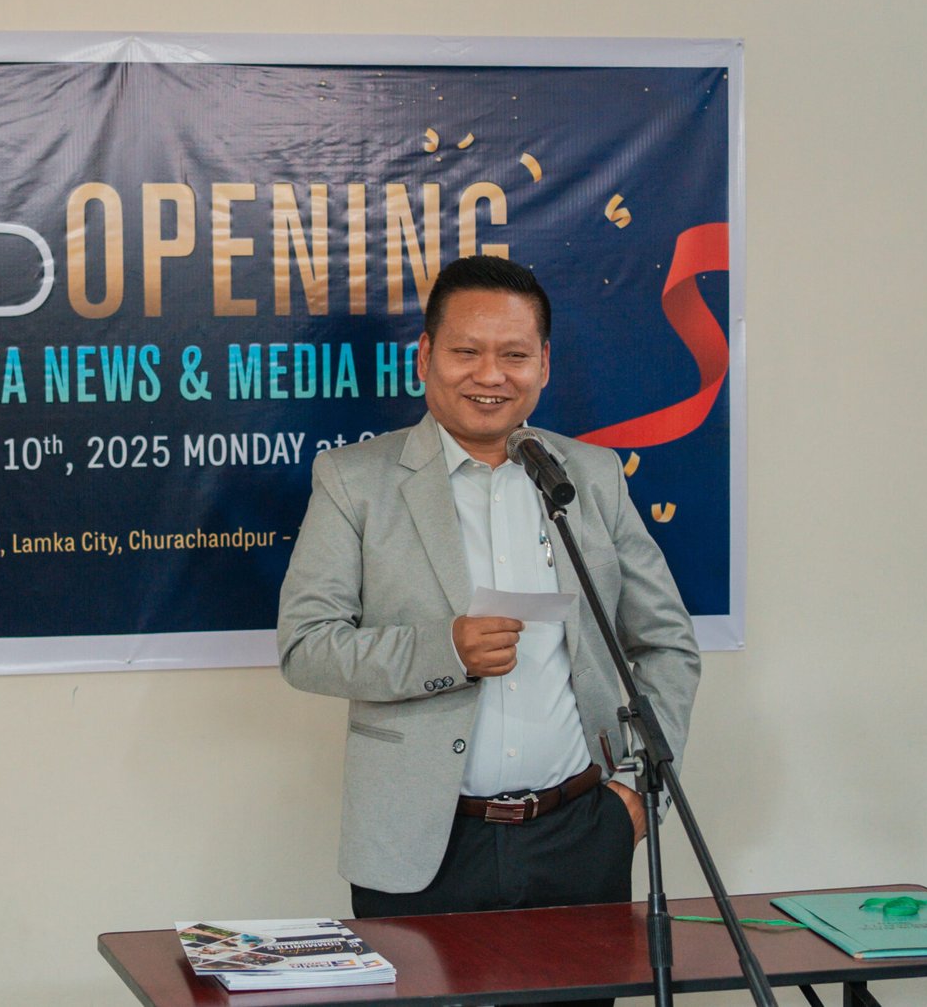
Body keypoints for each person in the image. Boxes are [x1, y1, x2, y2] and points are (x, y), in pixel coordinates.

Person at [277, 256, 701, 930]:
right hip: (422, 844)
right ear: (425, 357)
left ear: (544, 364)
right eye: (466, 352)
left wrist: (633, 793)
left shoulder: (590, 477)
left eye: (514, 354)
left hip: (582, 832)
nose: (491, 375)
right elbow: (307, 647)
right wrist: (445, 650)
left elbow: (667, 642)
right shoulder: (354, 480)